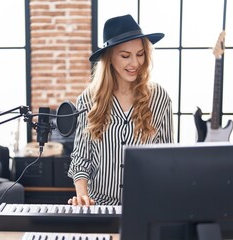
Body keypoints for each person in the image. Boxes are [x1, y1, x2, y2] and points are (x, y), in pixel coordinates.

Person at [67, 14, 174, 206]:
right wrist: (82, 196)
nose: (135, 63)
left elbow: (166, 159)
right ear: (109, 58)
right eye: (125, 56)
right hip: (100, 206)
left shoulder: (159, 98)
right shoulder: (88, 100)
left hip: (145, 205)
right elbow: (81, 158)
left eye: (140, 54)